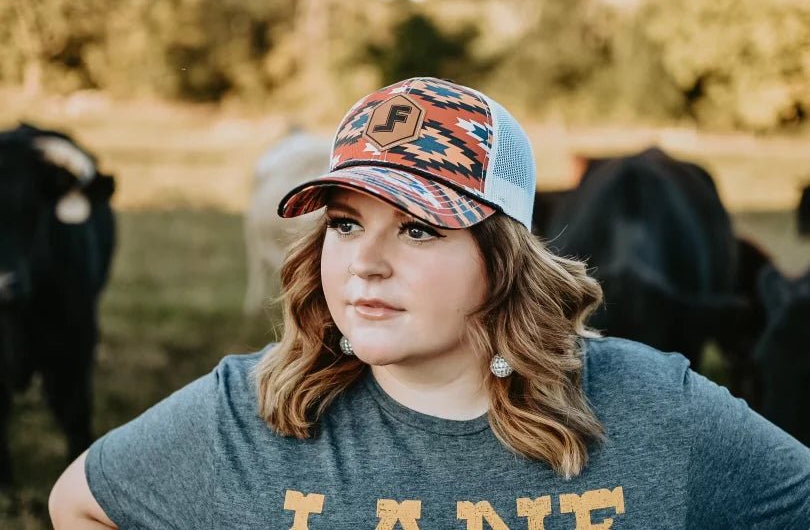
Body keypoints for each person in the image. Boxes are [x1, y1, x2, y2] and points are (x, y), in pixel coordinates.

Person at [49, 77, 810, 529]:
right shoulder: (245, 416)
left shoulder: (653, 409)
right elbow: (76, 503)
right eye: (345, 223)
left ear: (503, 256)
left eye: (417, 228)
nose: (365, 264)